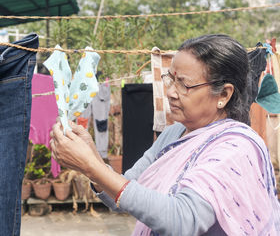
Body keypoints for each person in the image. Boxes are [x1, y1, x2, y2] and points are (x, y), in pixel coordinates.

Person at [50, 34, 280, 235]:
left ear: (224, 94)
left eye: (184, 85)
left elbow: (182, 221)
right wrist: (91, 159)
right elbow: (123, 194)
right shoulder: (174, 134)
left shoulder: (234, 149)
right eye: (170, 79)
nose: (170, 92)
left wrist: (92, 166)